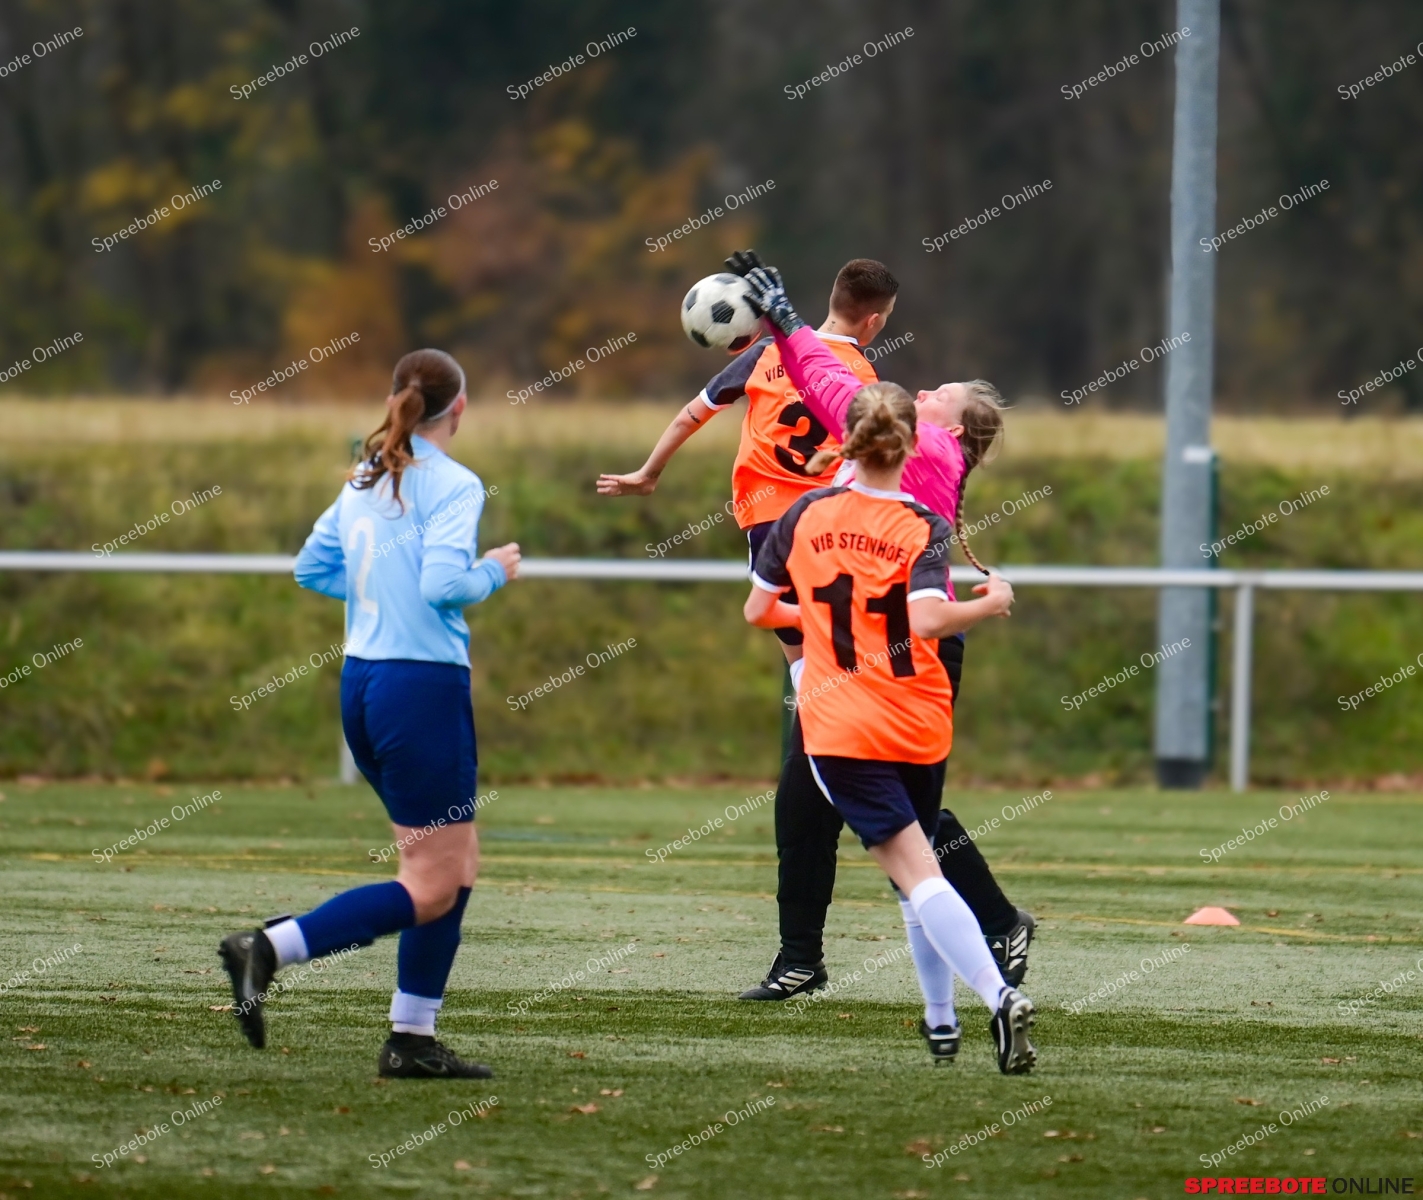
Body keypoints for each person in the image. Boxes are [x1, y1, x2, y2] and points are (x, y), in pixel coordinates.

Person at [721, 251, 1036, 1004]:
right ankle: (804, 957)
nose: (922, 393)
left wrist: (790, 324)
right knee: (813, 796)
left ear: (954, 430)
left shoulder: (931, 448)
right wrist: (789, 335)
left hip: (909, 650)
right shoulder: (908, 449)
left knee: (893, 820)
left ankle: (994, 928)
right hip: (862, 645)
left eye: (939, 396)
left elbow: (836, 392)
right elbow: (827, 393)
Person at [217, 348, 520, 1079]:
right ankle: (268, 948)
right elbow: (445, 584)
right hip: (419, 691)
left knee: (453, 863)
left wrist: (382, 589)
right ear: (460, 407)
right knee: (431, 882)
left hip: (364, 683)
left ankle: (412, 1039)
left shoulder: (366, 474)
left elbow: (311, 569)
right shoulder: (453, 483)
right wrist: (494, 571)